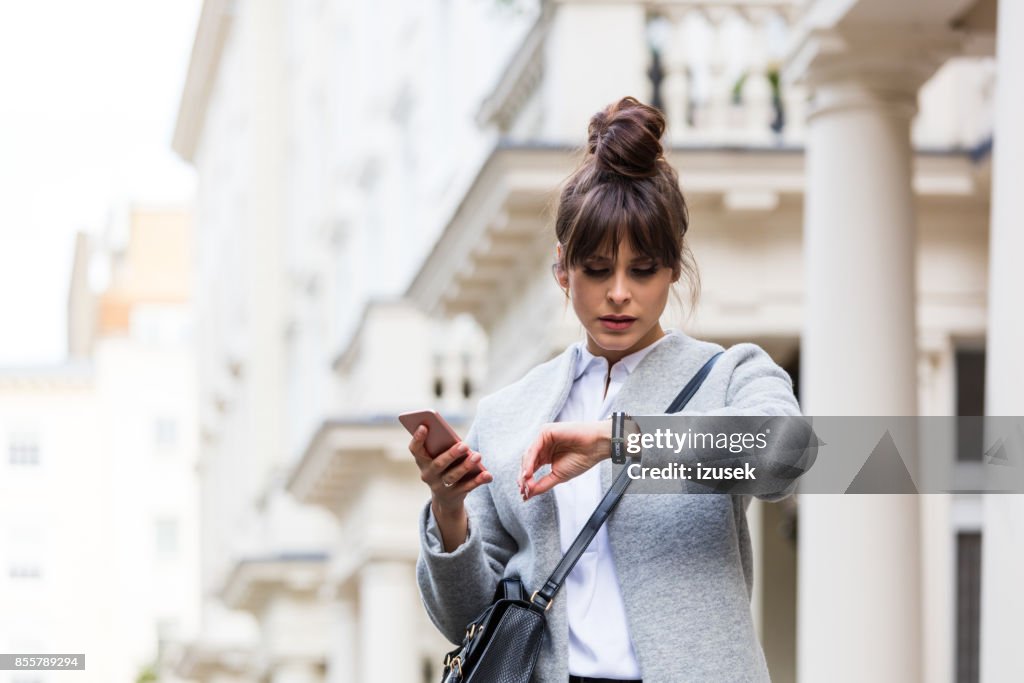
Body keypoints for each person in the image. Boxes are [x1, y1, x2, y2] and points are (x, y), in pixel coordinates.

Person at [409, 97, 802, 683]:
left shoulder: (729, 377)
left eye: (642, 270)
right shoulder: (508, 414)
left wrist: (619, 442)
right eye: (597, 269)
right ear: (562, 268)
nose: (619, 293)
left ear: (673, 268)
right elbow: (467, 617)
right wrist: (448, 509)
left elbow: (787, 456)